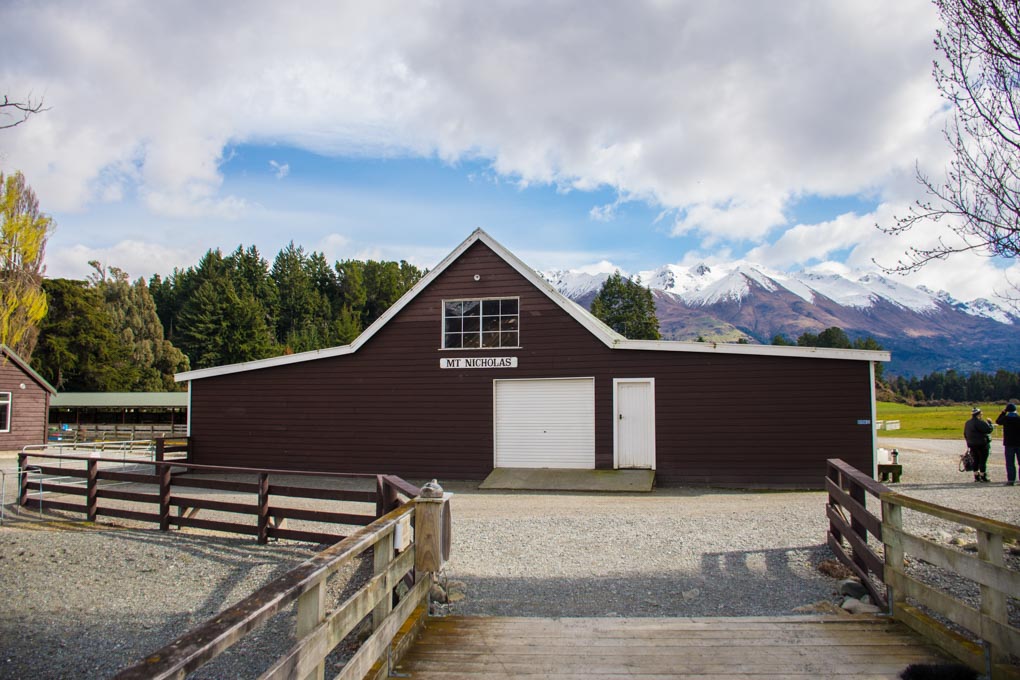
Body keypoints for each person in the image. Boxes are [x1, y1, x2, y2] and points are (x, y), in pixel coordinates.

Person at [963, 407, 993, 483]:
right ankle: (983, 476)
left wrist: (969, 443)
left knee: (975, 460)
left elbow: (965, 434)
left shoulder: (968, 423)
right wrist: (989, 423)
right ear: (978, 414)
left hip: (972, 444)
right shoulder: (980, 422)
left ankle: (976, 476)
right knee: (983, 460)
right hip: (982, 444)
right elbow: (988, 430)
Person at [996, 402, 1020, 486]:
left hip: (1009, 443)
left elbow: (998, 421)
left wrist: (1003, 413)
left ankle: (1011, 480)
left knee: (1010, 463)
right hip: (1019, 443)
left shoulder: (1005, 419)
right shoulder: (1018, 418)